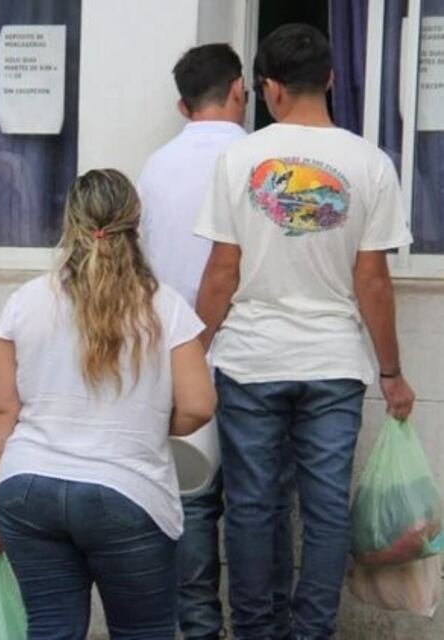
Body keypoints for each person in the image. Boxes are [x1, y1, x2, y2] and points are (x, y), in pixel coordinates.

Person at [194, 24, 415, 639]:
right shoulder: (370, 163)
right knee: (323, 512)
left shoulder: (238, 158)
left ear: (268, 88)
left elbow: (221, 272)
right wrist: (392, 373)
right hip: (334, 364)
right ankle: (313, 632)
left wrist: (191, 353)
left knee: (251, 506)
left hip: (250, 362)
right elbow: (373, 281)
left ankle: (256, 630)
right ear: (331, 78)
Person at [0, 169, 217, 639]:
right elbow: (199, 406)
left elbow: (1, 409)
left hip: (26, 488)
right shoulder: (164, 307)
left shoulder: (24, 301)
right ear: (137, 225)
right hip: (126, 493)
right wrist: (147, 424)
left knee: (51, 629)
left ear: (69, 223)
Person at [138, 43, 293, 640]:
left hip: (178, 355)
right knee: (261, 501)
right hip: (255, 350)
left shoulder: (154, 167)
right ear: (240, 91)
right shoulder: (260, 158)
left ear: (181, 103)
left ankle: (199, 626)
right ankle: (265, 626)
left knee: (193, 498)